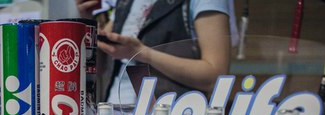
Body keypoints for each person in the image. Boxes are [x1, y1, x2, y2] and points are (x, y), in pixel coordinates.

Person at [76, 0, 232, 104]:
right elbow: (99, 67)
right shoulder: (125, 2)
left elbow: (216, 76)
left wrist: (144, 54)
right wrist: (86, 22)